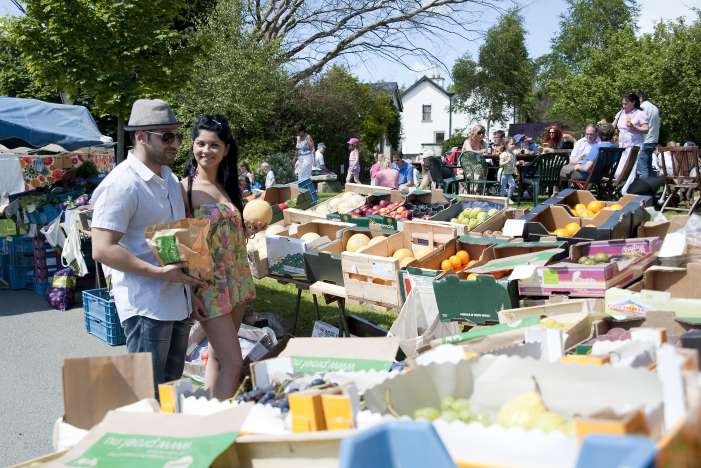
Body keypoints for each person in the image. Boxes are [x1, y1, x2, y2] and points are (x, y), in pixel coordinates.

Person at [91, 99, 206, 389]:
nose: (176, 143)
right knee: (145, 395)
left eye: (178, 136)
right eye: (166, 137)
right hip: (146, 307)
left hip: (177, 302)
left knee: (170, 391)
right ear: (141, 137)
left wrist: (191, 292)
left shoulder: (169, 177)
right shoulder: (122, 183)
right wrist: (158, 273)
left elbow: (174, 237)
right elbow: (102, 248)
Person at [182, 115, 260, 400]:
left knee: (217, 357)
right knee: (233, 362)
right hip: (209, 285)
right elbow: (184, 247)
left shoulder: (228, 185)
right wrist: (192, 292)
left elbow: (225, 234)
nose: (206, 150)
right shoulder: (184, 189)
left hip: (236, 278)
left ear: (226, 149)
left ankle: (211, 411)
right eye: (201, 143)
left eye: (214, 145)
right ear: (193, 145)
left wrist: (247, 229)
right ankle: (221, 420)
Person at [636, 91, 660, 178]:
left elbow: (637, 123)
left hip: (645, 140)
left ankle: (644, 186)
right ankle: (652, 185)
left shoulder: (642, 107)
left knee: (643, 169)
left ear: (640, 98)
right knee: (649, 168)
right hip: (653, 140)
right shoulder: (655, 108)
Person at [295, 123, 318, 202]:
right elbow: (297, 149)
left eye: (299, 132)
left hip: (308, 158)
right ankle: (304, 196)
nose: (298, 133)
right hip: (300, 158)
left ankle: (312, 197)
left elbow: (313, 149)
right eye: (297, 132)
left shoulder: (307, 137)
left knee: (305, 177)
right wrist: (295, 158)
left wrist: (314, 161)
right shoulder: (298, 137)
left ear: (303, 130)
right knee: (300, 176)